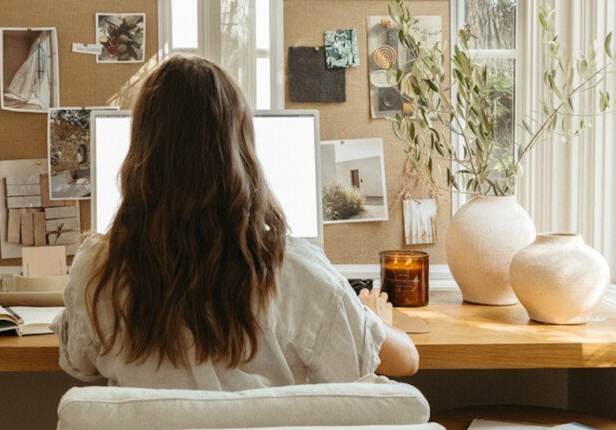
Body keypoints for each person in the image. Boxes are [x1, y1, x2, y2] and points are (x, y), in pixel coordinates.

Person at [54, 54, 419, 389]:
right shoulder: (295, 273)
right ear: (241, 154)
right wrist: (376, 322)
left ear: (141, 156)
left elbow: (79, 362)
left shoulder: (98, 273)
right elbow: (405, 360)